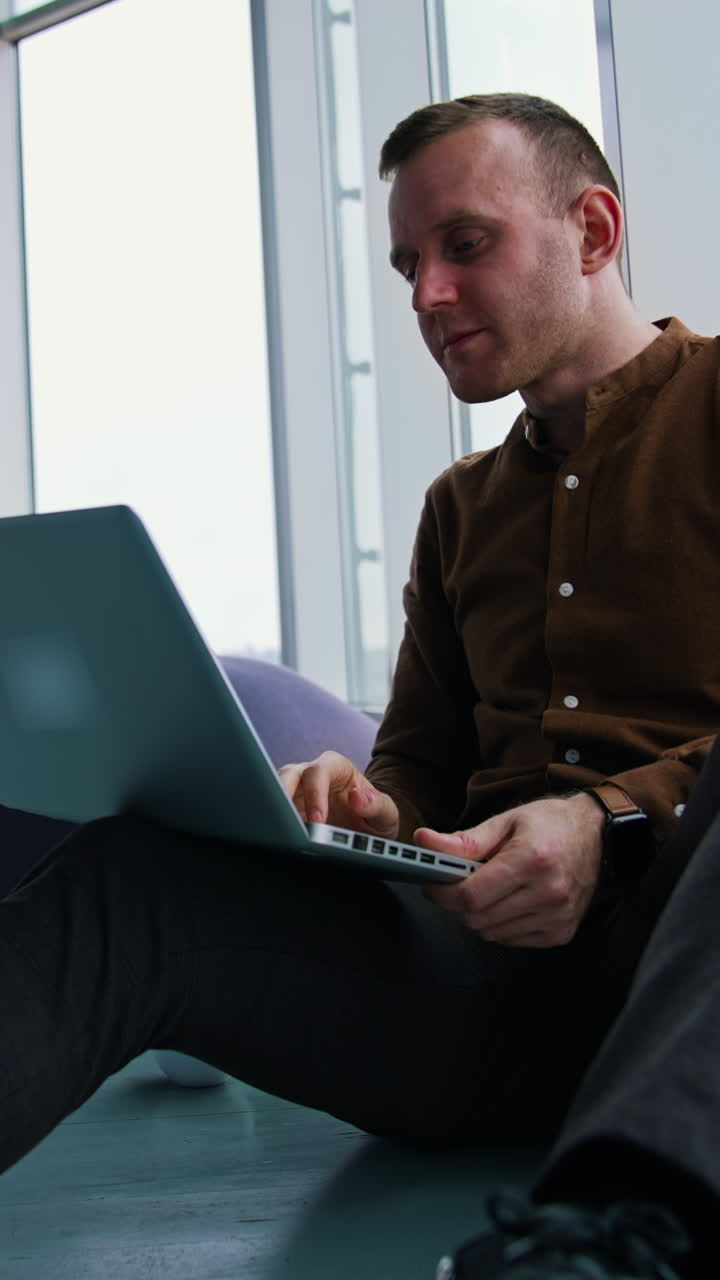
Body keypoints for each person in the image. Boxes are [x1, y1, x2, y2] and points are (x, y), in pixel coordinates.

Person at [1, 93, 719, 1279]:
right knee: (133, 881)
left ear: (593, 232)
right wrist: (367, 806)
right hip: (493, 1004)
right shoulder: (458, 513)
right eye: (408, 263)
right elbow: (420, 763)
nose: (428, 293)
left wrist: (611, 821)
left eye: (466, 244)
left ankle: (617, 1234)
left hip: (689, 975)